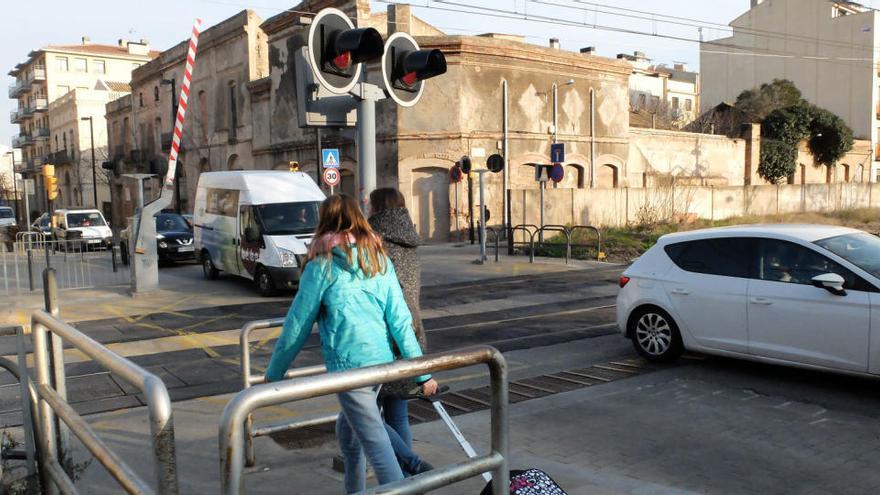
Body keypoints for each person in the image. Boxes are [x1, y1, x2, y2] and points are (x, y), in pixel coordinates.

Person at [265, 194, 438, 493]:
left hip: (349, 369)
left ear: (324, 222)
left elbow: (297, 327)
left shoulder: (322, 266)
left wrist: (274, 375)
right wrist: (421, 371)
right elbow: (400, 321)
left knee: (377, 447)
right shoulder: (379, 260)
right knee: (349, 435)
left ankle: (403, 477)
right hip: (381, 367)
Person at [367, 188, 431, 475]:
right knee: (397, 410)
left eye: (370, 204)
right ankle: (408, 476)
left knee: (364, 412)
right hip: (412, 334)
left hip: (385, 336)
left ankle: (409, 464)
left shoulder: (376, 245)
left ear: (378, 209)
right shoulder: (410, 242)